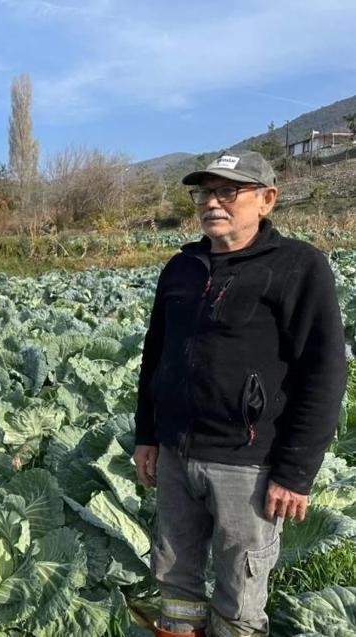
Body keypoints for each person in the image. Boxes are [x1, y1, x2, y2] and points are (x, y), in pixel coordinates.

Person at [134, 150, 347, 637]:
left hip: (247, 463)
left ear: (267, 200)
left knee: (240, 592)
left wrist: (295, 472)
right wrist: (148, 434)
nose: (212, 202)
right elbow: (155, 357)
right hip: (175, 454)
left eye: (228, 191)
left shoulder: (298, 266)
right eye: (204, 192)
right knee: (174, 581)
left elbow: (324, 372)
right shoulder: (182, 267)